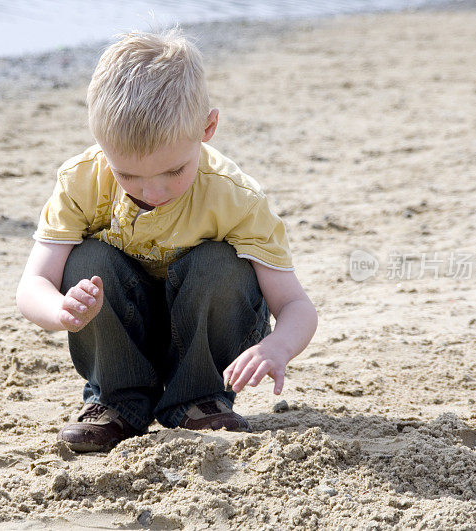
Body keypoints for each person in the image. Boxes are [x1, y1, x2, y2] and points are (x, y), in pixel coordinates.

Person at [16, 28, 317, 452]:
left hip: (204, 338)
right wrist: (60, 309)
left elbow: (295, 305)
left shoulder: (236, 198)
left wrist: (278, 346)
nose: (151, 192)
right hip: (121, 329)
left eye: (173, 172)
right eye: (128, 175)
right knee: (86, 261)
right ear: (100, 141)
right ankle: (117, 404)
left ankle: (198, 401)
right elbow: (32, 284)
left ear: (208, 127)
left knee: (220, 263)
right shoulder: (82, 181)